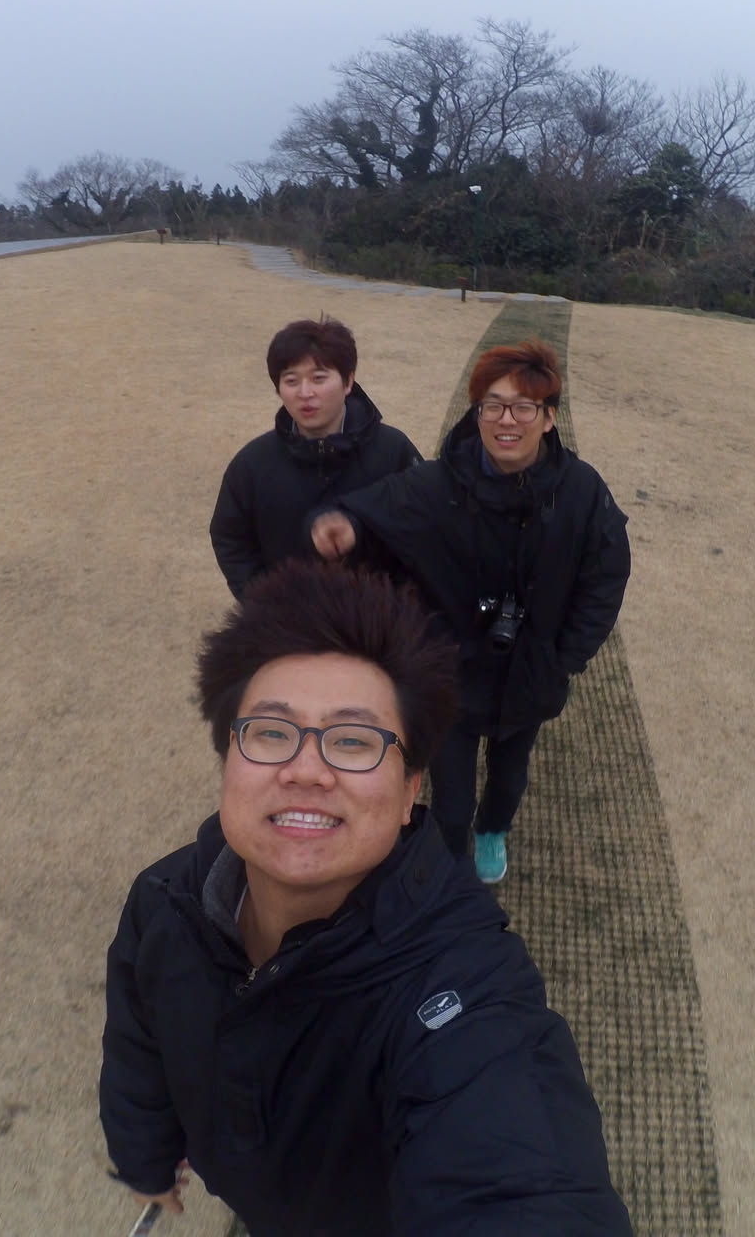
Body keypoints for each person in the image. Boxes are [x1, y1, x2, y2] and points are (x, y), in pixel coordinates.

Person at [100, 563, 632, 1237]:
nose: (305, 769)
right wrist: (143, 1158)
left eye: (353, 741)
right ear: (227, 758)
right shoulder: (166, 901)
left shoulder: (465, 994)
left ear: (412, 789)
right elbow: (137, 1048)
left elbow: (520, 1177)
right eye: (271, 733)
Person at [310, 340, 630, 884]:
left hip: (531, 673)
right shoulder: (437, 484)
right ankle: (452, 864)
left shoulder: (581, 491)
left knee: (509, 777)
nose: (506, 420)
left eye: (523, 407)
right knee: (451, 796)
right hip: (450, 673)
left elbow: (607, 574)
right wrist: (341, 524)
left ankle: (493, 832)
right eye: (492, 405)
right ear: (476, 411)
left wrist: (565, 657)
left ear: (549, 418)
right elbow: (369, 510)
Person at [209, 317, 420, 599]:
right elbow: (230, 538)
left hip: (379, 619)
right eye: (291, 381)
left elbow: (424, 528)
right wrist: (264, 602)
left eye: (319, 378)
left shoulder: (394, 451)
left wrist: (398, 604)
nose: (305, 393)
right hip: (286, 619)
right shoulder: (252, 464)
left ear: (348, 381)